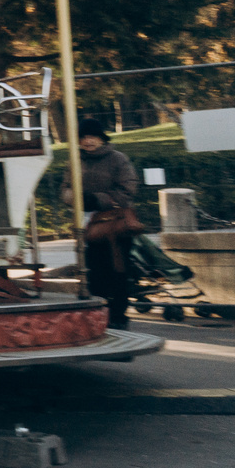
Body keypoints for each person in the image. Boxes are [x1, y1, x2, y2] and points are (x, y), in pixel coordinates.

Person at [76, 127, 141, 329]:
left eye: (92, 135)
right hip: (89, 223)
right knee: (93, 269)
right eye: (84, 136)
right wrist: (74, 198)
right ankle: (99, 315)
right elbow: (67, 187)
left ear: (102, 139)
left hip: (114, 225)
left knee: (118, 269)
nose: (88, 140)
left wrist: (97, 199)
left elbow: (127, 188)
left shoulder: (117, 159)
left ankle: (119, 316)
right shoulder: (76, 160)